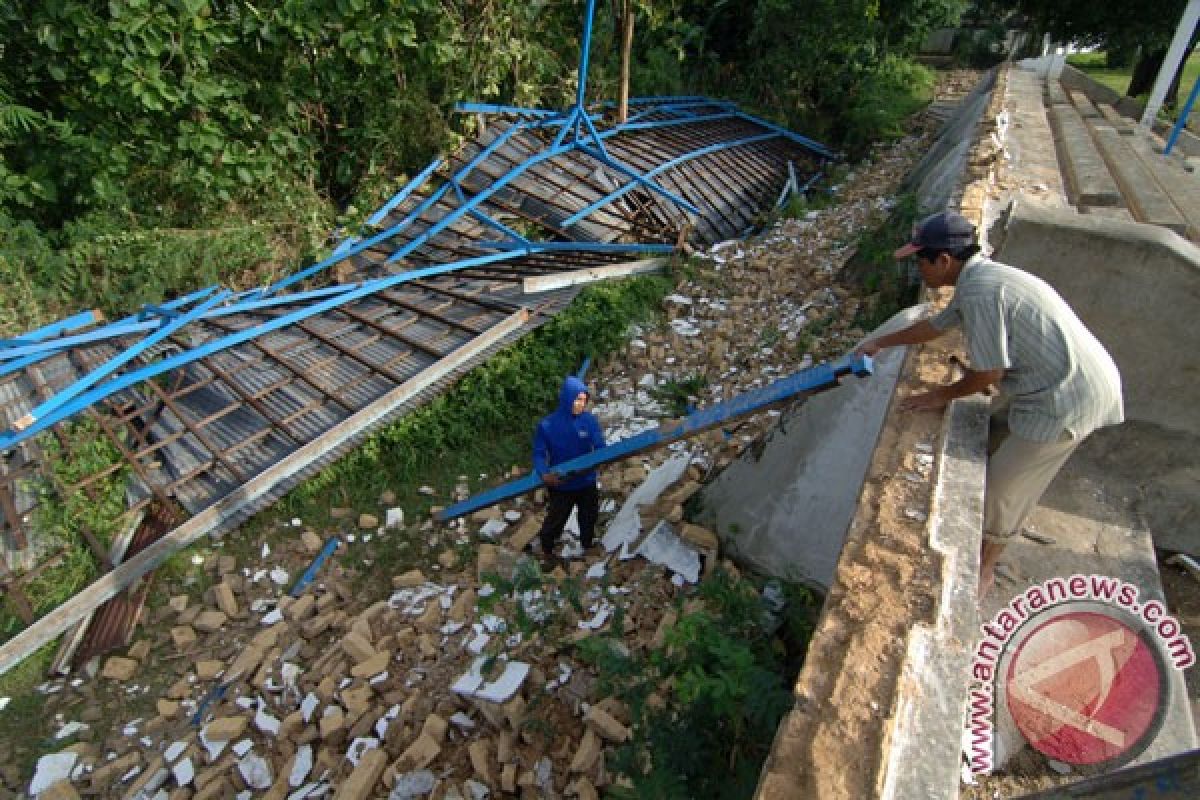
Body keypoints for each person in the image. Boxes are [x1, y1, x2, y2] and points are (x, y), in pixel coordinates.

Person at [855, 210, 1123, 597]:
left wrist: (938, 395)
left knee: (1002, 492)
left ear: (943, 260)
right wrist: (881, 343)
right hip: (1065, 382)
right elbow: (937, 326)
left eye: (920, 260)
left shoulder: (980, 292)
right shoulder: (979, 279)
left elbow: (989, 375)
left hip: (1066, 399)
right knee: (999, 459)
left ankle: (984, 569)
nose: (919, 269)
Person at [532, 374, 606, 562]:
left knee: (589, 516)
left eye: (584, 400)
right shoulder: (547, 425)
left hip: (586, 480)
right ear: (567, 398)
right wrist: (544, 473)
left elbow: (599, 445)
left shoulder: (588, 421)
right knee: (555, 520)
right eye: (578, 399)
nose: (581, 404)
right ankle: (547, 551)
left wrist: (602, 458)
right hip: (561, 484)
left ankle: (587, 546)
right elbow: (539, 453)